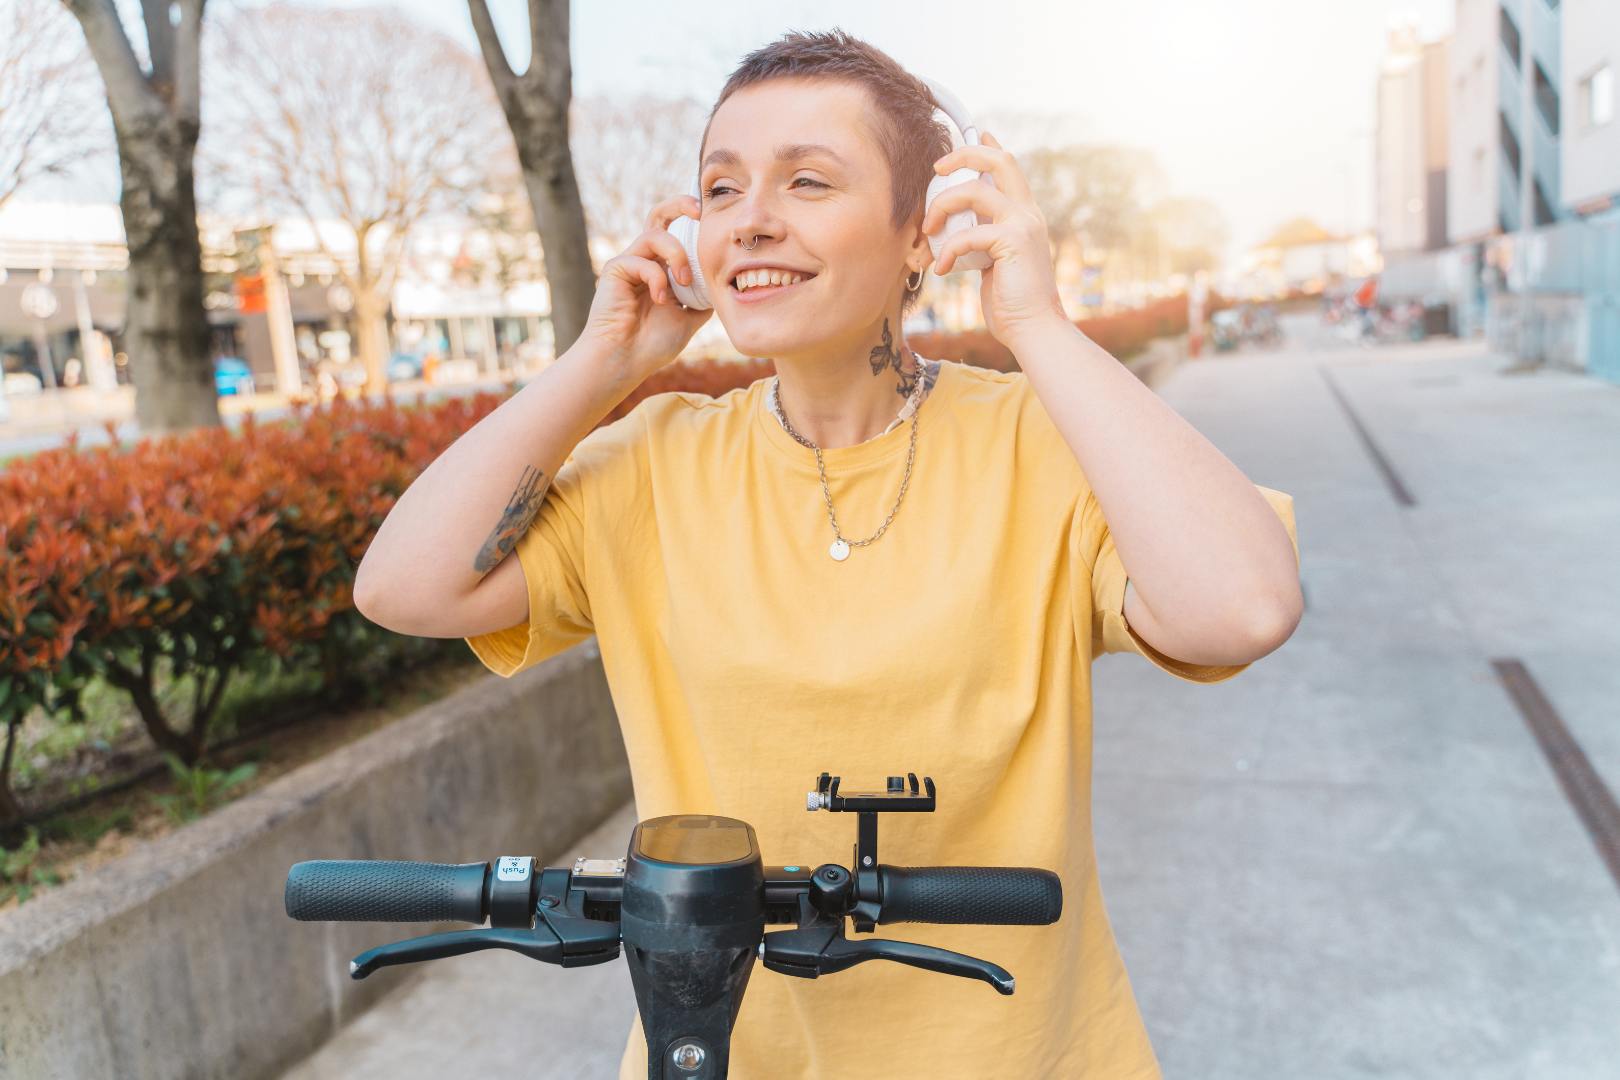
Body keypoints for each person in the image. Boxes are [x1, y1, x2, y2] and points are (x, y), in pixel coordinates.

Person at [353, 29, 1301, 1079]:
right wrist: (602, 361)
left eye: (808, 180)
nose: (751, 217)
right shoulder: (651, 464)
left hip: (1024, 1051)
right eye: (719, 189)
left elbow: (1245, 607)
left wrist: (1037, 321)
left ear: (919, 231)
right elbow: (404, 587)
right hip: (717, 1053)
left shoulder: (1044, 443)